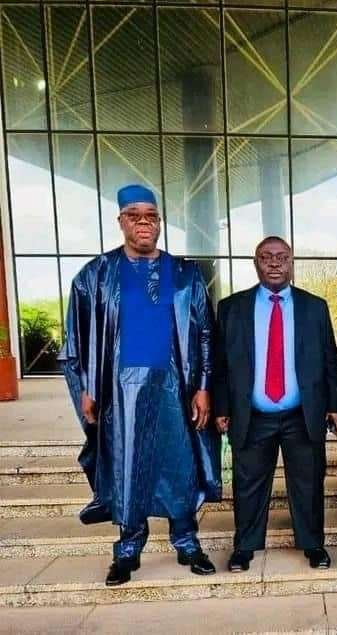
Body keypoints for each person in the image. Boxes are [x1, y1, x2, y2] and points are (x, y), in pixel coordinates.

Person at [59, 184, 221, 587]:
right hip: (121, 394)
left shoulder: (184, 274)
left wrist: (203, 386)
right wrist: (86, 387)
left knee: (179, 466)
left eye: (151, 216)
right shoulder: (95, 275)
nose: (143, 223)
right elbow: (76, 339)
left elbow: (205, 333)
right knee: (127, 467)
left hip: (175, 388)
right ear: (121, 221)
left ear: (160, 223)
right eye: (134, 216)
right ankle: (128, 550)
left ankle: (187, 543)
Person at [214, 236, 337, 572]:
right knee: (248, 484)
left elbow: (330, 359)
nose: (274, 263)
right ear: (255, 263)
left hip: (303, 414)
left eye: (282, 257)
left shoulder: (314, 307)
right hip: (252, 415)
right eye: (266, 257)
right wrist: (222, 407)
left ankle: (313, 545)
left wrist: (334, 405)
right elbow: (220, 364)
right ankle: (244, 547)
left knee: (308, 483)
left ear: (291, 262)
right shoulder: (231, 308)